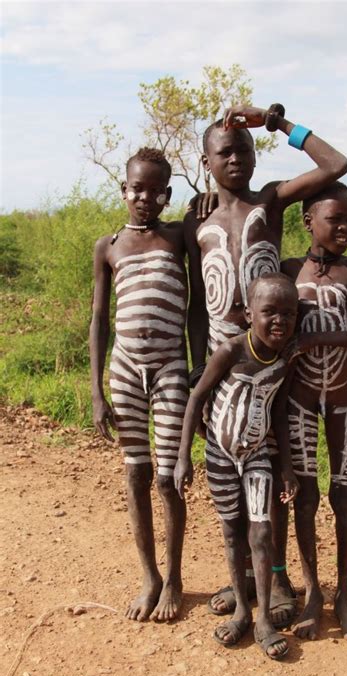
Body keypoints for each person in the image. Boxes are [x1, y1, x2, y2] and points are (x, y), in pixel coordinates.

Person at [185, 103, 347, 624]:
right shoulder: (199, 220)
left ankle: (277, 576)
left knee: (271, 463)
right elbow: (197, 301)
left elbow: (336, 165)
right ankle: (245, 579)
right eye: (224, 152)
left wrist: (278, 125)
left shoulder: (271, 202)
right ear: (207, 161)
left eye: (243, 150)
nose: (236, 158)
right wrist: (199, 365)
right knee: (230, 473)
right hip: (222, 365)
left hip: (273, 363)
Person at [174, 272, 329, 659]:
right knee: (232, 532)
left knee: (261, 533)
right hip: (220, 456)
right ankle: (243, 611)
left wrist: (288, 467)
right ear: (248, 315)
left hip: (258, 455)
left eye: (289, 314)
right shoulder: (231, 351)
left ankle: (262, 620)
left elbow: (278, 412)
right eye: (269, 312)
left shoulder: (283, 360)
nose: (280, 321)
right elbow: (196, 400)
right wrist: (182, 458)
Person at [89, 147, 213, 623]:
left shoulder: (178, 237)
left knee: (169, 477)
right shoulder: (110, 245)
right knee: (135, 473)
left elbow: (196, 307)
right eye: (136, 189)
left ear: (166, 195)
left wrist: (198, 365)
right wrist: (97, 390)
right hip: (124, 370)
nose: (144, 198)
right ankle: (149, 576)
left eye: (154, 191)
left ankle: (176, 576)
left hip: (169, 370)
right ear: (124, 190)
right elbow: (100, 319)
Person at [281, 181, 347, 641]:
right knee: (304, 496)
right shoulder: (288, 270)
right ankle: (311, 593)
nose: (345, 227)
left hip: (344, 401)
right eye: (335, 219)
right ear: (308, 221)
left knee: (342, 495)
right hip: (300, 401)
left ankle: (343, 594)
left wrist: (320, 338)